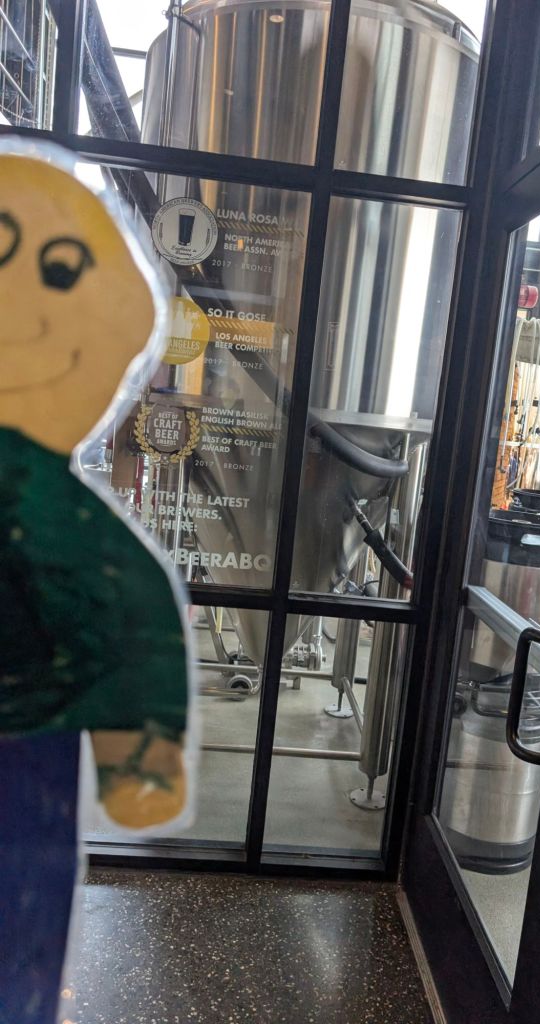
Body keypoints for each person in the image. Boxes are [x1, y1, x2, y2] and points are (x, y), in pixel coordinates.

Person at [0, 142, 194, 1024]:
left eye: (58, 271)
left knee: (19, 935)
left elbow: (130, 609)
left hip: (30, 757)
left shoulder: (68, 523)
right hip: (33, 762)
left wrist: (139, 755)